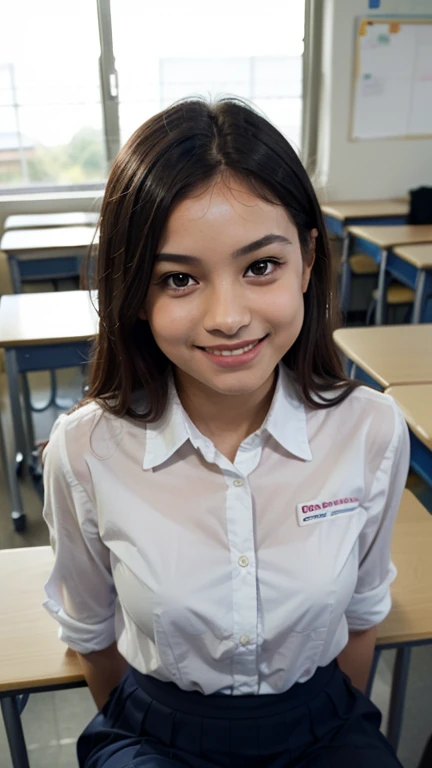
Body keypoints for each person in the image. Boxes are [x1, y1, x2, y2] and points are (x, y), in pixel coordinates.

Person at [42, 97, 410, 768]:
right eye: (178, 278)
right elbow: (92, 634)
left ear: (306, 258)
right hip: (158, 733)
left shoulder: (371, 428)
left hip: (321, 723)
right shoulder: (85, 448)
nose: (228, 316)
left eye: (260, 266)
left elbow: (362, 616)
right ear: (136, 295)